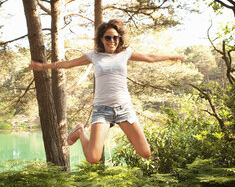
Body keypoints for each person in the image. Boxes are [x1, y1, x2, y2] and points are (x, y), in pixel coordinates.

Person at [29, 19, 184, 164]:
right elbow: (68, 64)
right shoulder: (94, 56)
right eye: (108, 38)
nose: (112, 41)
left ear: (119, 39)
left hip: (124, 109)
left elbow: (149, 57)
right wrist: (43, 67)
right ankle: (80, 132)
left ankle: (81, 132)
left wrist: (171, 57)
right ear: (101, 39)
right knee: (93, 158)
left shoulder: (125, 54)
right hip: (102, 110)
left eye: (115, 38)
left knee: (145, 152)